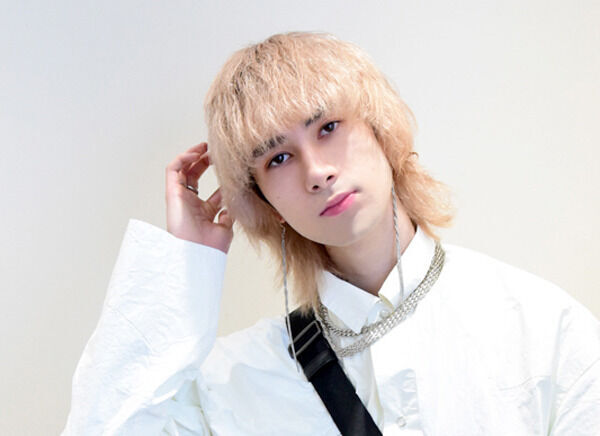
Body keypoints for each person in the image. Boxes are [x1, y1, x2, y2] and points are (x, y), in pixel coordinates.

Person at [62, 32, 599, 435]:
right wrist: (185, 266)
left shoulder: (539, 328)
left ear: (381, 131)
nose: (316, 171)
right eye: (277, 158)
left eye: (328, 127)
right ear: (264, 202)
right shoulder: (237, 379)